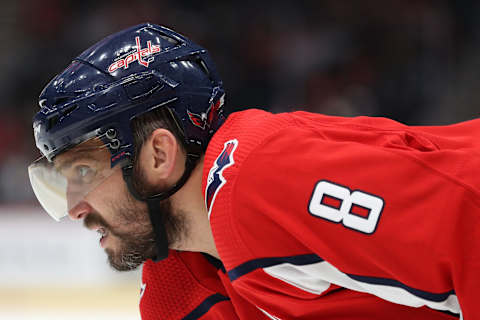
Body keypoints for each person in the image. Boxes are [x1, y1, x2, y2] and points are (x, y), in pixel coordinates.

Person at [29, 23, 477, 319]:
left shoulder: (257, 177)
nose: (73, 208)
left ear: (158, 157)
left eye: (83, 172)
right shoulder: (179, 279)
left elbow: (466, 217)